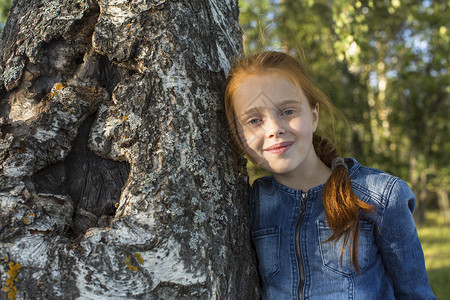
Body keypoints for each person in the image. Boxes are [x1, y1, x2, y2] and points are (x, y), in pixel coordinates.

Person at [224, 51, 436, 299]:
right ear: (237, 135)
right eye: (254, 120)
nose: (274, 129)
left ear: (313, 116)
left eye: (288, 112)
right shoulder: (251, 204)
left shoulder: (381, 196)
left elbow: (416, 294)